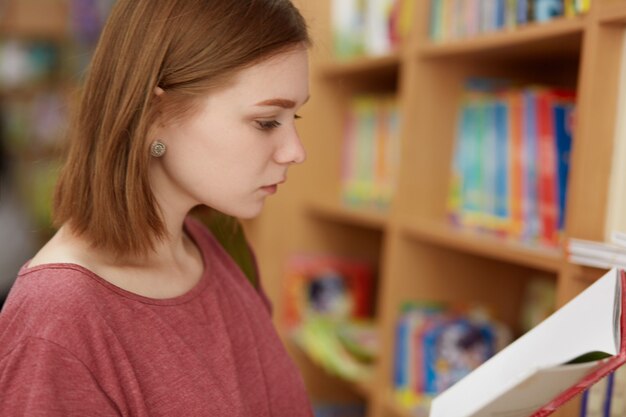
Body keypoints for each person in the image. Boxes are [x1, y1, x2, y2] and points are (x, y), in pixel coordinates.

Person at [0, 0, 313, 416]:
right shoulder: (58, 317)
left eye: (297, 118)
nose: (295, 151)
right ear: (155, 114)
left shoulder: (212, 245)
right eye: (267, 121)